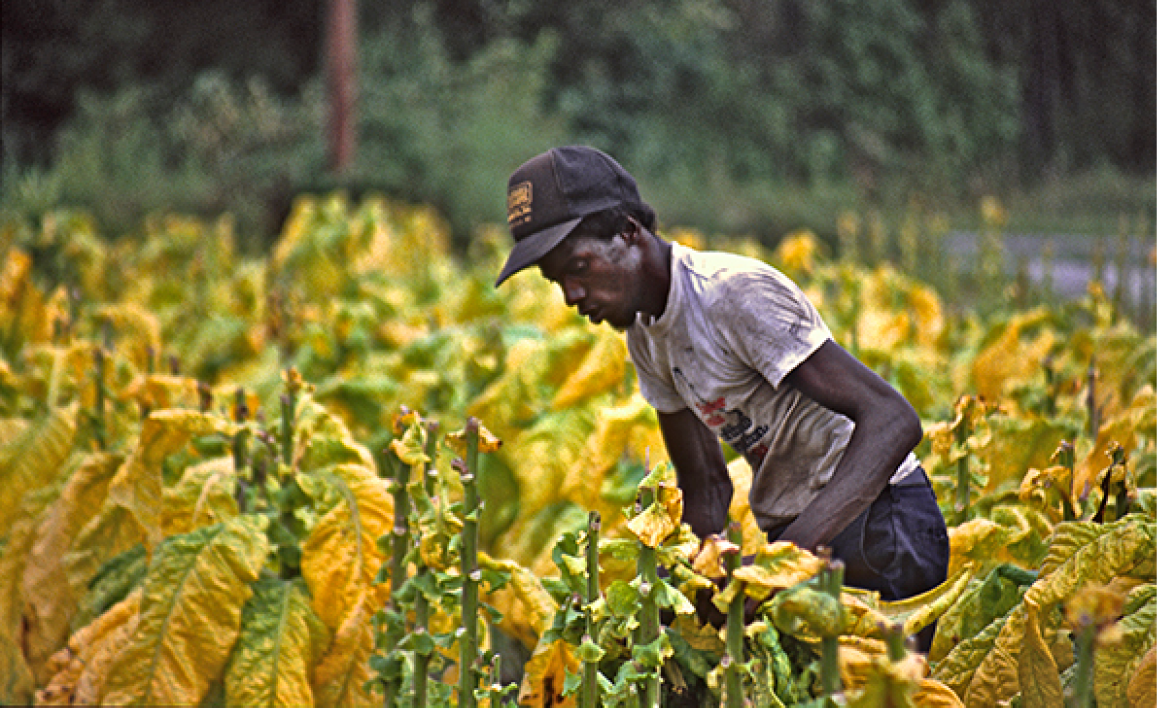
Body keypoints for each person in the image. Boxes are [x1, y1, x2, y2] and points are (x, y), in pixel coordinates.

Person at [494, 145, 949, 651]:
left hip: (880, 525)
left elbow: (892, 420)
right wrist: (691, 599)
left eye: (580, 267)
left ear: (629, 232)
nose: (572, 296)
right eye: (557, 281)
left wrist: (785, 562)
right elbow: (706, 487)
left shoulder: (731, 294)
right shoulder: (647, 335)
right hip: (805, 540)